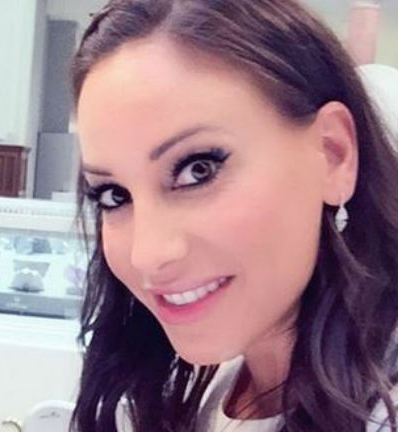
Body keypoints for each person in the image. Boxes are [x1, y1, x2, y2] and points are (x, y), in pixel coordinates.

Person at [70, 0, 398, 431]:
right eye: (114, 196)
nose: (148, 255)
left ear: (333, 155)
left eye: (197, 170)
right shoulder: (220, 386)